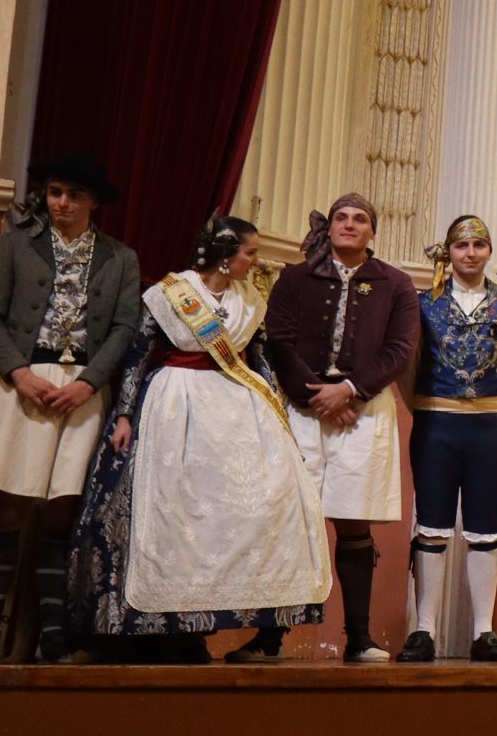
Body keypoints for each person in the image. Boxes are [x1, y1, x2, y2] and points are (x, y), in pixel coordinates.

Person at [65, 214, 329, 661]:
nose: (254, 261)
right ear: (225, 256)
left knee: (244, 515)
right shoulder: (172, 293)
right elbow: (137, 356)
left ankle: (224, 627)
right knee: (173, 513)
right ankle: (153, 630)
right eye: (249, 253)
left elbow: (260, 361)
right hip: (175, 406)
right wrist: (124, 414)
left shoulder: (250, 301)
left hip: (241, 412)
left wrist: (278, 417)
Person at [0, 152, 143, 664]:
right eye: (54, 192)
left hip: (83, 389)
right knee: (7, 504)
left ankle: (54, 634)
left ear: (93, 203)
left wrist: (88, 383)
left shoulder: (120, 258)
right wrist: (19, 374)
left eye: (73, 195)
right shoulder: (18, 246)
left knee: (62, 508)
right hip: (23, 382)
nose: (61, 203)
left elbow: (123, 329)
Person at [264, 193, 422, 664]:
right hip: (304, 407)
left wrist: (350, 391)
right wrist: (317, 396)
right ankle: (270, 637)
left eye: (359, 219)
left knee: (354, 521)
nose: (349, 224)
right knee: (293, 519)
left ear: (372, 231)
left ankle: (359, 637)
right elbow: (278, 341)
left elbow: (400, 349)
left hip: (364, 412)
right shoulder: (295, 278)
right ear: (329, 226)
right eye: (341, 217)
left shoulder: (395, 284)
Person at [402, 213, 497, 665]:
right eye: (462, 246)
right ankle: (424, 629)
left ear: (489, 251)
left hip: (489, 427)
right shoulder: (422, 305)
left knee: (484, 528)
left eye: (479, 245)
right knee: (431, 525)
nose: (471, 253)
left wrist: (492, 406)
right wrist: (429, 405)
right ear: (449, 252)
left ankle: (484, 631)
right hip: (436, 423)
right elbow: (409, 368)